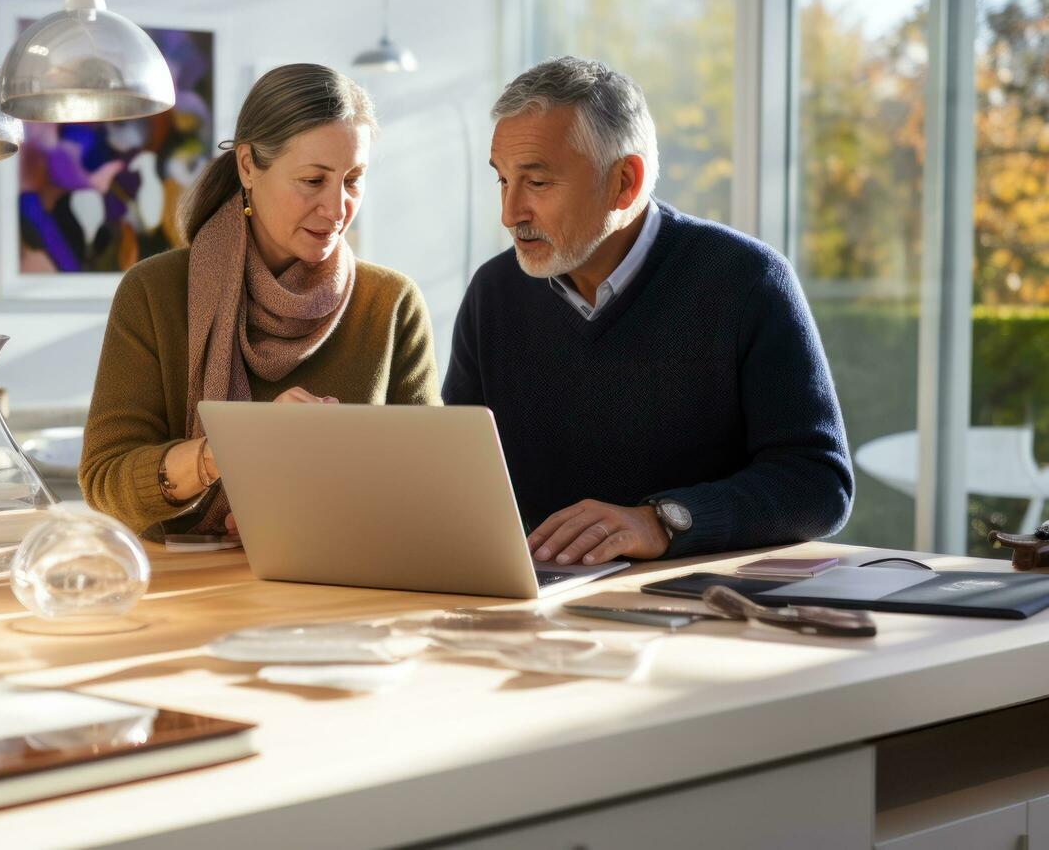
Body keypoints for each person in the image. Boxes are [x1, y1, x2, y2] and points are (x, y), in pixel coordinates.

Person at [442, 56, 853, 565]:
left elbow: (819, 483)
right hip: (535, 603)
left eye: (538, 182)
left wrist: (664, 521)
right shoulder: (495, 292)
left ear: (625, 182)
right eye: (502, 180)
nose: (510, 213)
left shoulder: (747, 280)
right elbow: (457, 475)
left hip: (700, 609)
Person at [81, 63, 440, 541]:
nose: (337, 209)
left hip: (343, 587)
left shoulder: (392, 304)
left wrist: (337, 489)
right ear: (248, 166)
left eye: (353, 180)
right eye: (314, 180)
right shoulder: (154, 292)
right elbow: (107, 483)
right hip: (186, 593)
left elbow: (434, 489)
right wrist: (233, 449)